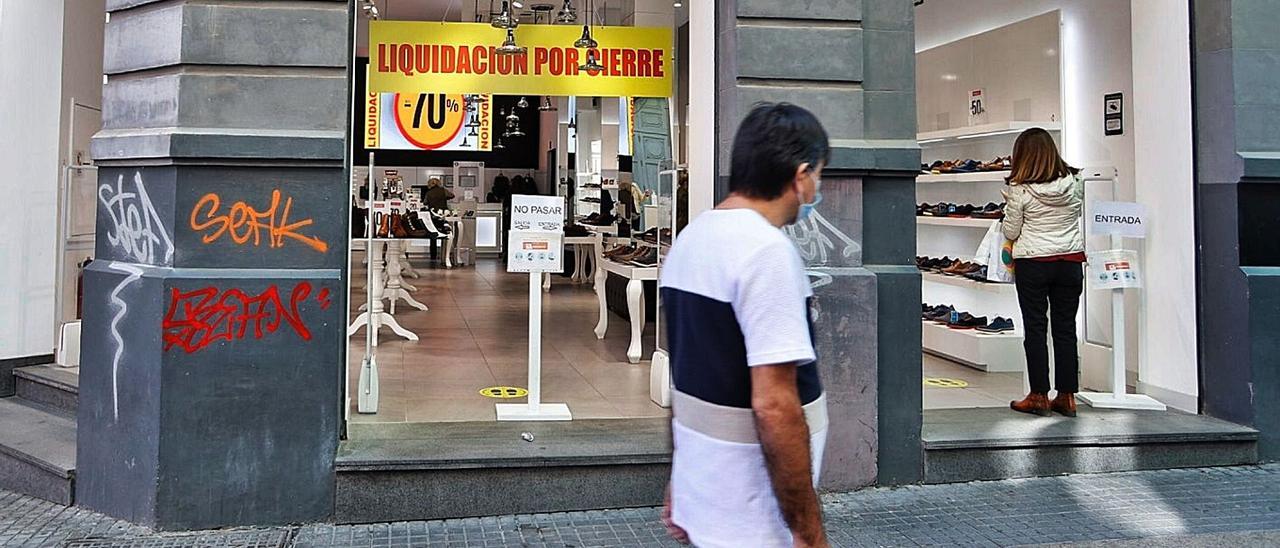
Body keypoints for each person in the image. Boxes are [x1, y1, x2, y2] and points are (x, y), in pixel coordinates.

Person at [659, 103, 830, 548]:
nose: (816, 191)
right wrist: (808, 531)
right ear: (801, 175)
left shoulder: (690, 240)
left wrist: (680, 481)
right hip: (752, 512)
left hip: (706, 496)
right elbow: (775, 405)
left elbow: (686, 378)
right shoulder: (766, 253)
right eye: (819, 176)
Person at [1002, 127, 1085, 418]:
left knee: (1035, 328)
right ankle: (1067, 396)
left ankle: (1038, 395)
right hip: (1070, 261)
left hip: (1034, 263)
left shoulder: (1019, 188)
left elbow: (1011, 229)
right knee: (1066, 329)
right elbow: (1075, 216)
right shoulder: (1075, 182)